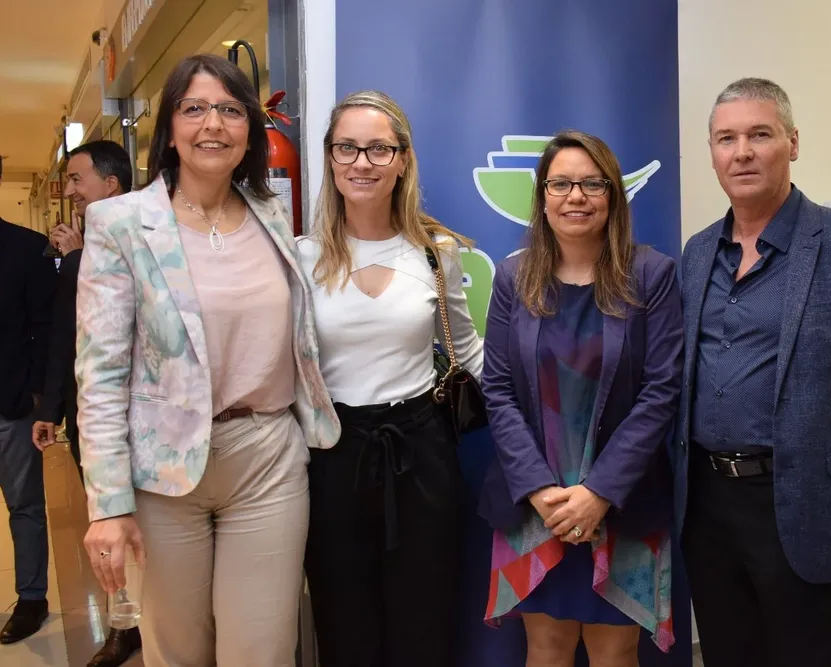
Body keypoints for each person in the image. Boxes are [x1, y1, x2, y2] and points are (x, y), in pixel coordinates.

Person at [75, 53, 340, 667]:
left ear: (250, 128)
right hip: (164, 473)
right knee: (179, 651)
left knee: (264, 649)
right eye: (194, 109)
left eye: (228, 110)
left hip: (267, 459)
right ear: (170, 127)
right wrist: (107, 505)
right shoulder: (120, 223)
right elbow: (101, 374)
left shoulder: (272, 215)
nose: (212, 125)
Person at [678, 78, 831, 667]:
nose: (742, 152)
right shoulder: (696, 253)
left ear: (792, 143)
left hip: (810, 504)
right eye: (726, 138)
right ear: (712, 151)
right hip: (709, 506)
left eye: (759, 135)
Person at [478, 131, 684, 666]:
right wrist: (542, 491)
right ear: (542, 196)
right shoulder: (513, 277)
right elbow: (497, 389)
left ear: (613, 196)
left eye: (592, 184)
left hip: (623, 499)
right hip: (535, 505)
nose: (576, 196)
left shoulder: (651, 275)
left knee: (615, 653)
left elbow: (662, 390)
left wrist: (599, 493)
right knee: (545, 648)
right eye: (562, 183)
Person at [298, 90, 483, 667]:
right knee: (342, 616)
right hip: (332, 455)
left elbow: (470, 351)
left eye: (379, 149)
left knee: (424, 617)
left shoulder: (436, 253)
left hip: (422, 453)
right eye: (347, 147)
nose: (362, 162)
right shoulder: (301, 258)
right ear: (330, 158)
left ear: (402, 159)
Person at [31, 140, 140, 667]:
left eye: (77, 180)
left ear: (111, 184)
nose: (69, 192)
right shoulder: (81, 248)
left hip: (140, 415)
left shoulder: (137, 239)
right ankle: (125, 620)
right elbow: (64, 336)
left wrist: (76, 259)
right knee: (108, 520)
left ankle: (138, 621)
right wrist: (51, 408)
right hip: (91, 413)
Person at [0, 156, 58, 644]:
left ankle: (32, 599)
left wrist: (41, 402)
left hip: (11, 405)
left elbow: (44, 330)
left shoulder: (26, 249)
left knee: (25, 506)